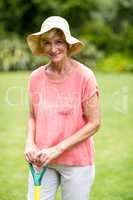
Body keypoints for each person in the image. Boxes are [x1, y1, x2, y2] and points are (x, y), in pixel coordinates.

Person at [25, 16, 101, 200]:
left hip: (77, 162)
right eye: (47, 43)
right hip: (42, 160)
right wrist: (30, 143)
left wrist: (57, 149)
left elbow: (94, 123)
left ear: (67, 44)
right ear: (42, 46)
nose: (53, 48)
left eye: (58, 42)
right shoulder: (35, 77)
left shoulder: (85, 76)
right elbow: (32, 116)